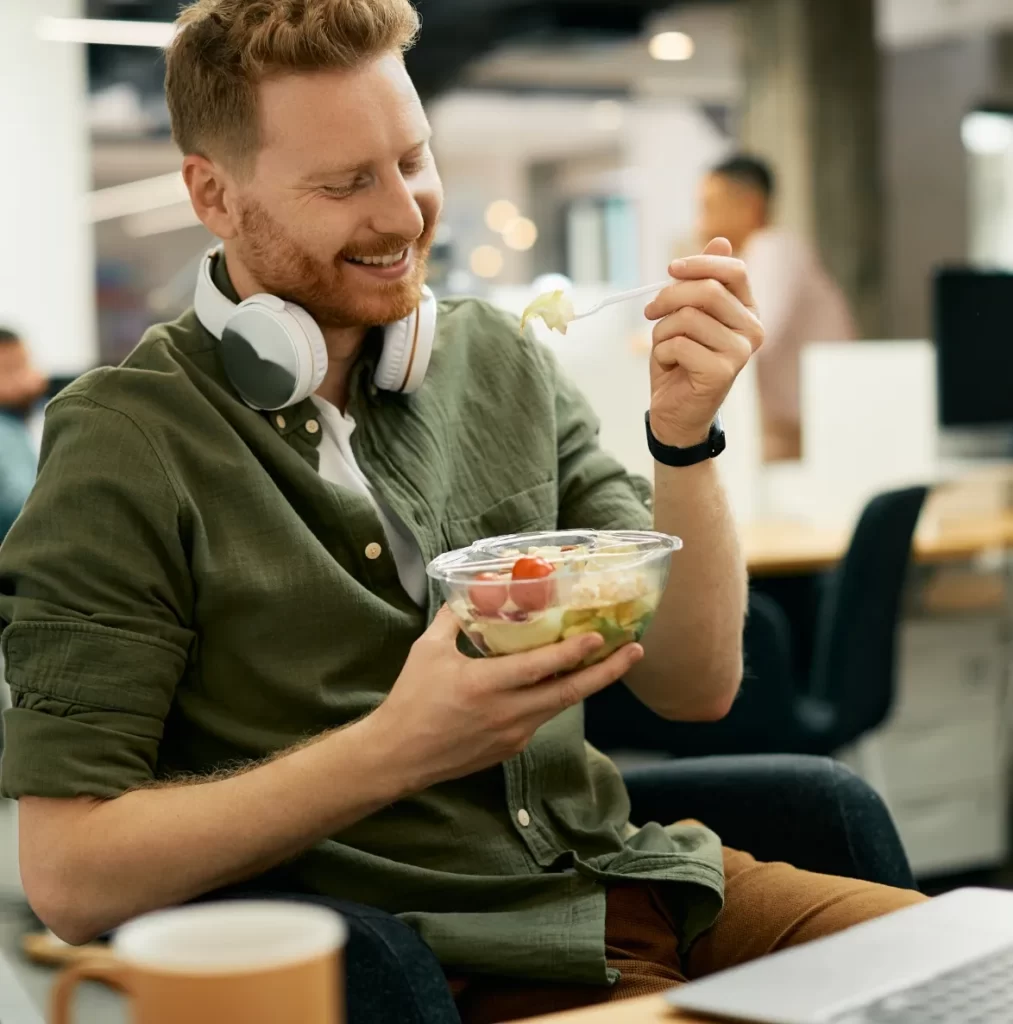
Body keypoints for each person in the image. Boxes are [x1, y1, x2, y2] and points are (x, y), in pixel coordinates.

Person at [0, 3, 922, 1021]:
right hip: (444, 961)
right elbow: (70, 876)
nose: (403, 215)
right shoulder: (129, 440)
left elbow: (693, 683)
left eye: (410, 159)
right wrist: (398, 744)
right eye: (347, 182)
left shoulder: (499, 361)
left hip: (651, 880)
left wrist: (682, 437)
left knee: (969, 975)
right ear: (213, 194)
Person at [698, 155, 857, 462]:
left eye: (709, 207)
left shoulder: (773, 248)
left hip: (812, 431)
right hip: (802, 426)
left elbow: (753, 331)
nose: (700, 223)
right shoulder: (759, 254)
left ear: (750, 205)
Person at [0, 328, 46, 541]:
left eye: (26, 364)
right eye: (10, 370)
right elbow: (20, 505)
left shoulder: (45, 412)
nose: (31, 378)